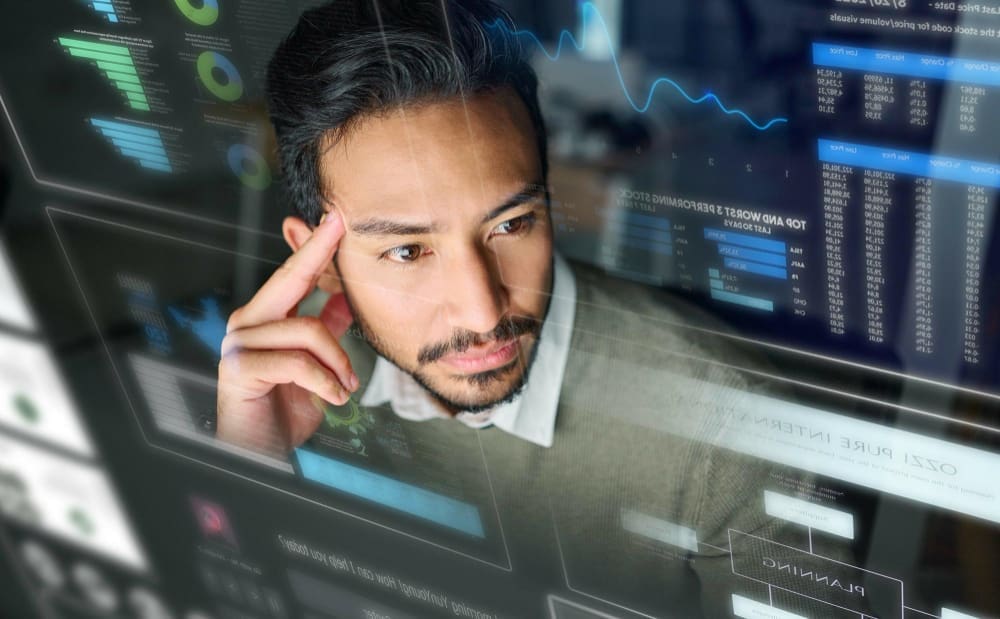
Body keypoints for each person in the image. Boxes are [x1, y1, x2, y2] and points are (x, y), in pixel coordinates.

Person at [216, 1, 862, 616]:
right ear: (321, 261)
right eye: (409, 251)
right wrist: (250, 468)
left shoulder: (733, 433)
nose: (480, 309)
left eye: (511, 223)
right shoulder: (285, 391)